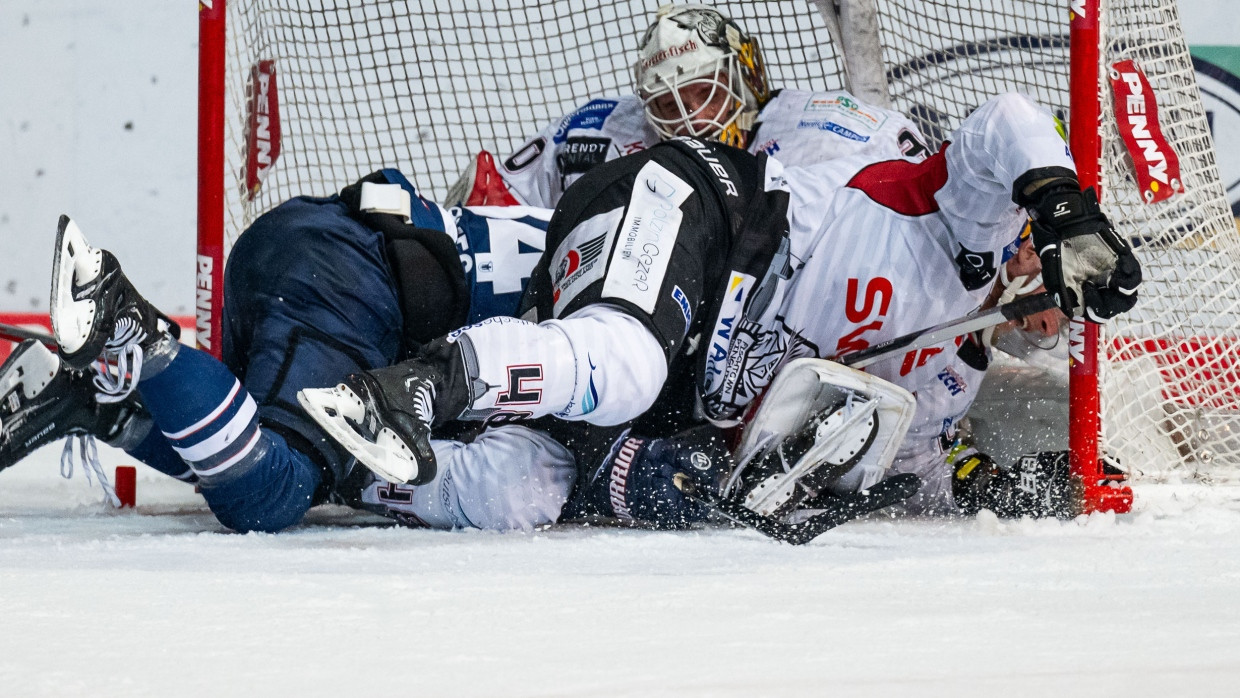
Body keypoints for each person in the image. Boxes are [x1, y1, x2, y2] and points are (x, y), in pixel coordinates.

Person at [302, 92, 1143, 529]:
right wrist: (1064, 204)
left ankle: (333, 458)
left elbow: (910, 464)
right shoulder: (964, 220)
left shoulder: (951, 377)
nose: (1050, 302)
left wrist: (999, 488)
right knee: (622, 362)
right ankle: (413, 389)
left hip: (688, 367)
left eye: (1064, 306)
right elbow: (1008, 123)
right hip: (696, 214)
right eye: (1056, 267)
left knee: (523, 492)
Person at [0, 171, 579, 533]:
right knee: (271, 494)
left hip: (323, 249)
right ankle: (131, 324)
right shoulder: (621, 324)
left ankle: (92, 400)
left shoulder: (609, 246)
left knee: (237, 451)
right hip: (350, 277)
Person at [447, 4, 930, 210]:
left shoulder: (818, 126)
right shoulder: (601, 132)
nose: (694, 119)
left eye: (706, 93)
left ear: (747, 77)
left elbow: (921, 172)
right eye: (669, 104)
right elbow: (495, 193)